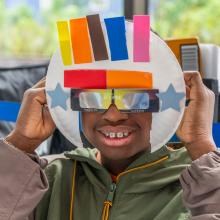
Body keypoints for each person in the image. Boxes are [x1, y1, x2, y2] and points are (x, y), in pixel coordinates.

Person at [0, 71, 220, 220]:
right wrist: (21, 142)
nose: (114, 115)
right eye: (93, 98)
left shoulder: (196, 183)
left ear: (163, 105)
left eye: (135, 98)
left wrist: (201, 144)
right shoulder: (50, 178)